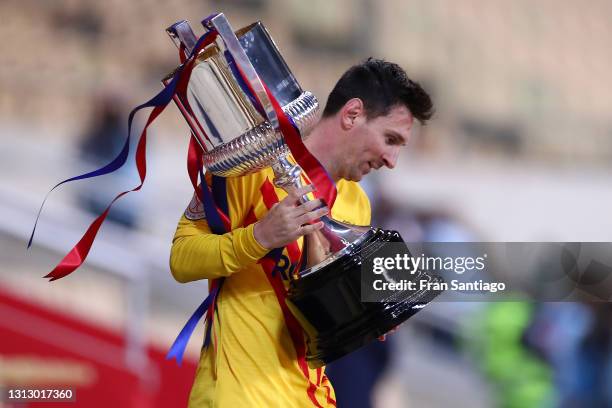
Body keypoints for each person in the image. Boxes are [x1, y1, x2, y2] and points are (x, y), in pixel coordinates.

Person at [170, 58, 433, 407]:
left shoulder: (357, 205)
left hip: (311, 397)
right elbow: (180, 259)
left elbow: (323, 322)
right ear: (352, 114)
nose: (392, 160)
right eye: (390, 139)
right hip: (238, 397)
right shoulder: (253, 165)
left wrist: (372, 316)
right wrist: (259, 237)